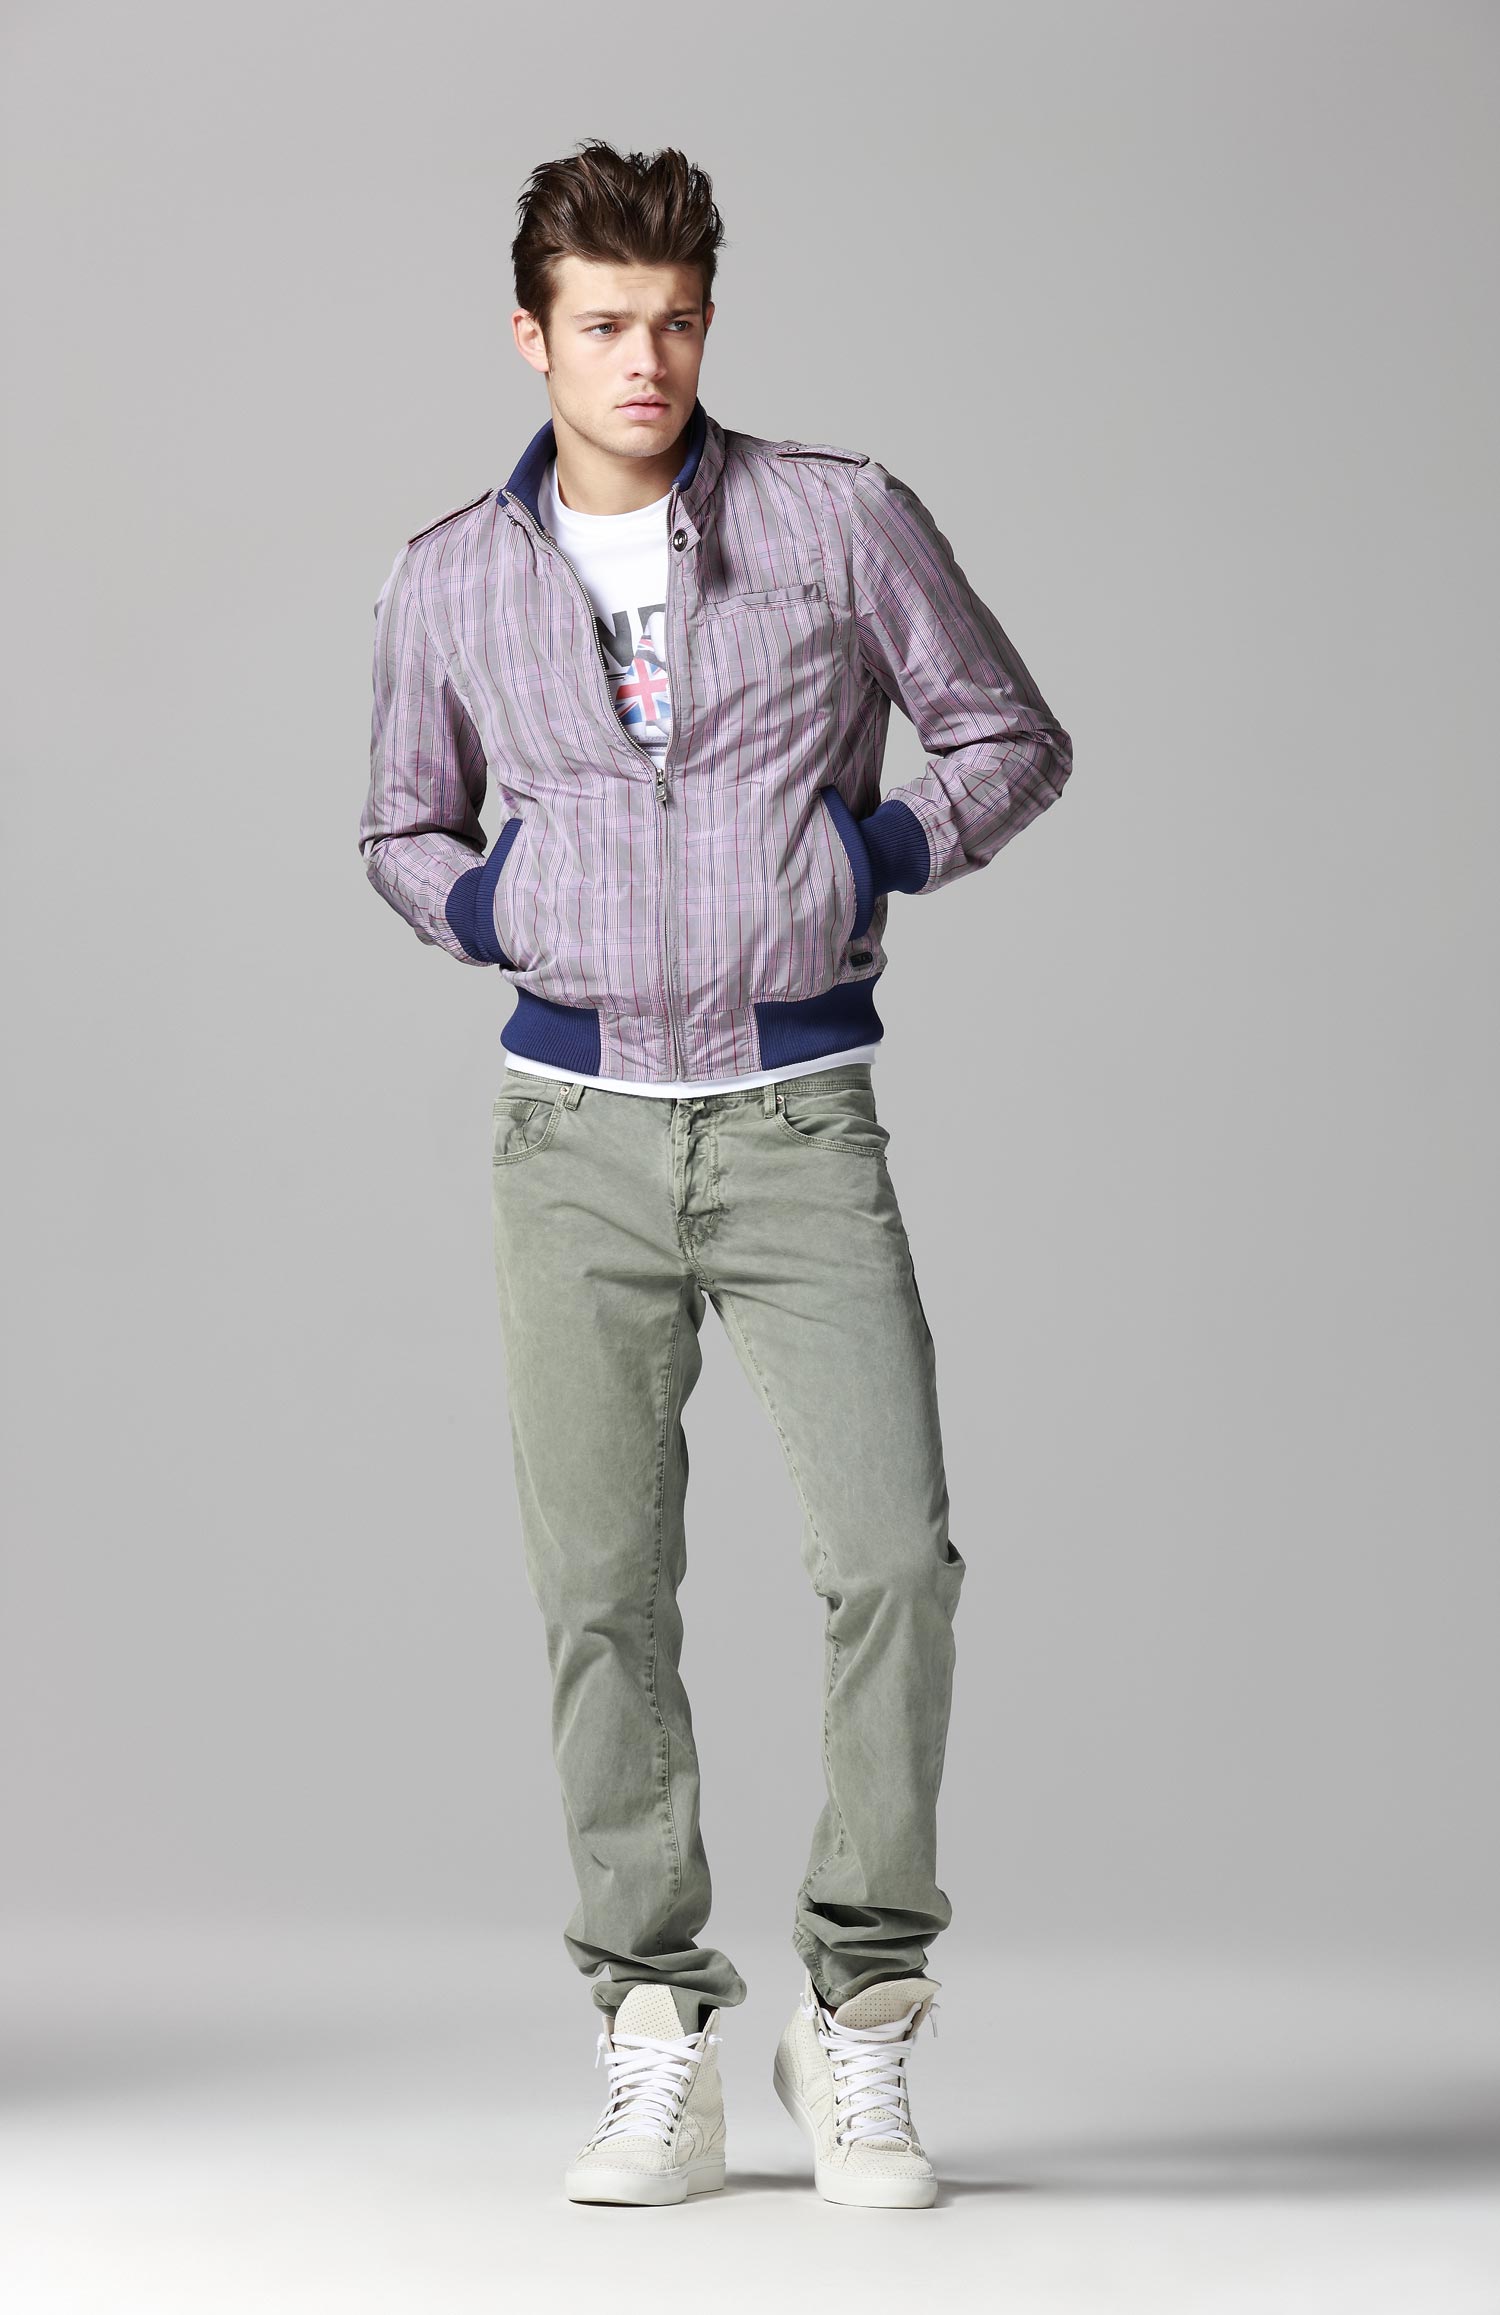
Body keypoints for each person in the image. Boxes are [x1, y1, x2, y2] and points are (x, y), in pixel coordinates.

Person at [358, 138, 1073, 2209]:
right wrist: (504, 906)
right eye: (605, 323)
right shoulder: (449, 574)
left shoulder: (838, 521)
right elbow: (399, 826)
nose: (646, 359)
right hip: (569, 1139)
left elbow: (1007, 736)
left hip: (796, 1118)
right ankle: (652, 2028)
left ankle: (859, 2013)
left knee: (893, 1561)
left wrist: (870, 851)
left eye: (676, 321)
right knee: (602, 1593)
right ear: (532, 336)